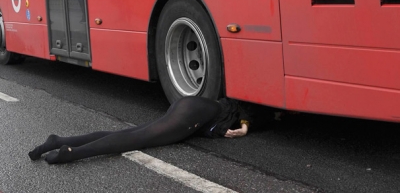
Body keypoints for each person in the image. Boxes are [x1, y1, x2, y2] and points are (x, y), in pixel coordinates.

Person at [28, 96, 256, 164]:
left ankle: (58, 141)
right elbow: (247, 111)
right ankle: (72, 154)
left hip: (189, 106)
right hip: (195, 114)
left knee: (130, 133)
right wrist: (245, 128)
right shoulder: (257, 113)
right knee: (138, 138)